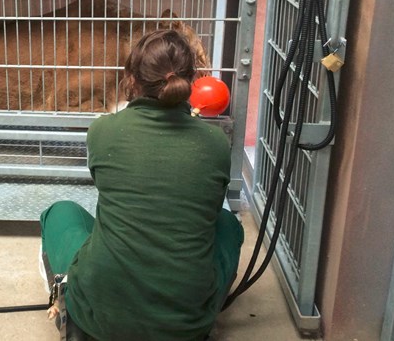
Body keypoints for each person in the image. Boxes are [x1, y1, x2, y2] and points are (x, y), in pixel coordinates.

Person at [40, 28, 244, 341]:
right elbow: (208, 212)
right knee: (229, 224)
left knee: (60, 212)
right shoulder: (215, 143)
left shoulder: (103, 131)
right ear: (192, 82)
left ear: (131, 79)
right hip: (185, 327)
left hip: (99, 322)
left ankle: (69, 299)